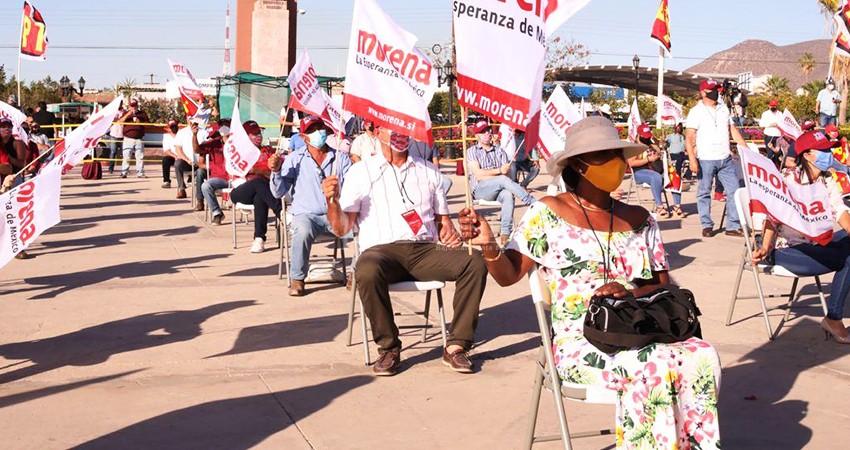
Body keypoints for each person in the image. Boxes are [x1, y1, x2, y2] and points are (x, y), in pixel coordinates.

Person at [458, 116, 722, 448]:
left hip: (638, 324)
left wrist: (628, 290)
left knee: (702, 355)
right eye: (605, 157)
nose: (616, 164)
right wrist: (488, 244)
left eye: (618, 155)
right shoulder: (548, 212)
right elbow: (509, 274)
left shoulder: (640, 219)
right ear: (580, 166)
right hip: (582, 339)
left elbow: (663, 286)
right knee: (652, 366)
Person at [321, 127, 485, 376]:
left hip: (425, 250)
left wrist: (451, 233)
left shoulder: (429, 170)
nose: (400, 132)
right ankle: (389, 348)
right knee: (366, 268)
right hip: (381, 253)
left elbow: (444, 223)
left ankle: (456, 345)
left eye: (405, 125)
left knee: (474, 262)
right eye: (392, 126)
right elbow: (341, 228)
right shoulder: (361, 171)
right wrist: (332, 202)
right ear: (375, 132)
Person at [751, 130, 850, 343]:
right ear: (808, 155)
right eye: (824, 150)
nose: (829, 154)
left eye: (829, 149)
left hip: (815, 244)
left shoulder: (826, 179)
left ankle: (833, 318)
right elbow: (772, 216)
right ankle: (834, 319)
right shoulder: (788, 179)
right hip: (786, 248)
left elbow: (839, 210)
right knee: (846, 258)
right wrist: (765, 247)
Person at [268, 115, 352, 296]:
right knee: (303, 230)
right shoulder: (294, 159)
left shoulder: (340, 157)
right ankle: (298, 279)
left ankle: (356, 273)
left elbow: (353, 186)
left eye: (321, 128)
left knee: (363, 227)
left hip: (336, 212)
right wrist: (275, 172)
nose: (319, 133)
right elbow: (279, 192)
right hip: (307, 214)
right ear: (304, 136)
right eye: (313, 130)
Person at [686, 78, 749, 238]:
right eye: (712, 89)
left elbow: (732, 130)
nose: (716, 92)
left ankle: (732, 226)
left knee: (734, 191)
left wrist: (745, 147)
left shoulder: (723, 109)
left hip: (725, 158)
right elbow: (689, 137)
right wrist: (692, 159)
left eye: (717, 89)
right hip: (705, 159)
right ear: (703, 92)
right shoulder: (696, 112)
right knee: (704, 192)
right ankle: (707, 225)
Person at [467, 120, 536, 246]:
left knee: (508, 195)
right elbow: (478, 174)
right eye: (483, 132)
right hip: (480, 190)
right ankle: (531, 201)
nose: (487, 133)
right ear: (477, 136)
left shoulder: (499, 151)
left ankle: (505, 233)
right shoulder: (472, 151)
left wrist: (500, 174)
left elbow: (507, 174)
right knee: (503, 180)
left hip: (497, 189)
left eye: (488, 130)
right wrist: (498, 172)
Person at [228, 120, 280, 253]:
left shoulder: (268, 151)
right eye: (254, 134)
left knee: (259, 196)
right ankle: (280, 211)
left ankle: (259, 239)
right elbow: (239, 172)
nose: (259, 136)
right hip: (240, 191)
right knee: (258, 183)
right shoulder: (237, 152)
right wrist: (262, 172)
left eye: (260, 132)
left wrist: (258, 171)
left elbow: (275, 171)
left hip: (264, 192)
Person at [633, 124, 685, 218]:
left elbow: (662, 147)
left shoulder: (652, 144)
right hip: (640, 172)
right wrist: (648, 159)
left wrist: (658, 151)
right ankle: (659, 206)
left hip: (655, 168)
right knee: (655, 177)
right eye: (645, 136)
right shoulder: (634, 147)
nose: (647, 138)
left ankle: (677, 205)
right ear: (639, 135)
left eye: (649, 136)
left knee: (674, 175)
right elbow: (631, 163)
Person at [193, 128, 227, 223]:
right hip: (218, 177)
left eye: (215, 136)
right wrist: (194, 135)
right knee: (204, 182)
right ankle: (216, 212)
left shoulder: (236, 143)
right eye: (211, 137)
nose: (213, 139)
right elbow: (197, 151)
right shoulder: (211, 145)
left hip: (236, 177)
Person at [172, 119, 208, 199]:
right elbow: (178, 149)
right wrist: (187, 160)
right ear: (187, 120)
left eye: (195, 120)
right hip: (187, 161)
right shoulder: (182, 132)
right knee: (178, 164)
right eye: (191, 119)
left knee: (201, 171)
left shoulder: (204, 132)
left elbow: (207, 149)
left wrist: (200, 162)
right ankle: (181, 189)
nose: (193, 122)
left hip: (200, 162)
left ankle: (201, 195)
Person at [119, 98, 149, 178]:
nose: (133, 108)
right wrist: (127, 115)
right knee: (126, 156)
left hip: (139, 138)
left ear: (137, 105)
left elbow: (148, 124)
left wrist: (141, 122)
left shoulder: (142, 114)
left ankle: (140, 173)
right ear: (129, 106)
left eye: (135, 106)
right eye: (132, 106)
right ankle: (124, 172)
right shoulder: (125, 113)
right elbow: (120, 122)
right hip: (128, 138)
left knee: (140, 157)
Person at [759, 99, 783, 165]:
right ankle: (770, 166)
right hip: (769, 135)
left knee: (779, 152)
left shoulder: (780, 114)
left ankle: (775, 165)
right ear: (769, 106)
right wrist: (770, 124)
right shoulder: (765, 114)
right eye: (772, 106)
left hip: (778, 136)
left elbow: (783, 123)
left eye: (774, 106)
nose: (773, 107)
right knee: (770, 154)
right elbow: (761, 124)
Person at [160, 119, 179, 189]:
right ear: (168, 129)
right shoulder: (166, 137)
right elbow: (166, 150)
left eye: (175, 126)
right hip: (173, 156)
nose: (174, 128)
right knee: (165, 160)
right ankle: (166, 181)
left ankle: (190, 180)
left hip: (183, 155)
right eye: (172, 127)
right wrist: (175, 156)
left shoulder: (182, 135)